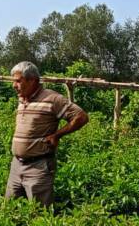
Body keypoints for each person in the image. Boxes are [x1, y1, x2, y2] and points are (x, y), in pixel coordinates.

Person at [6, 61, 88, 206]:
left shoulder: (52, 98)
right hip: (16, 165)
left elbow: (81, 117)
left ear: (32, 80)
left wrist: (57, 135)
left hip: (39, 166)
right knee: (10, 210)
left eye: (18, 81)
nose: (14, 85)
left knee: (39, 214)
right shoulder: (22, 99)